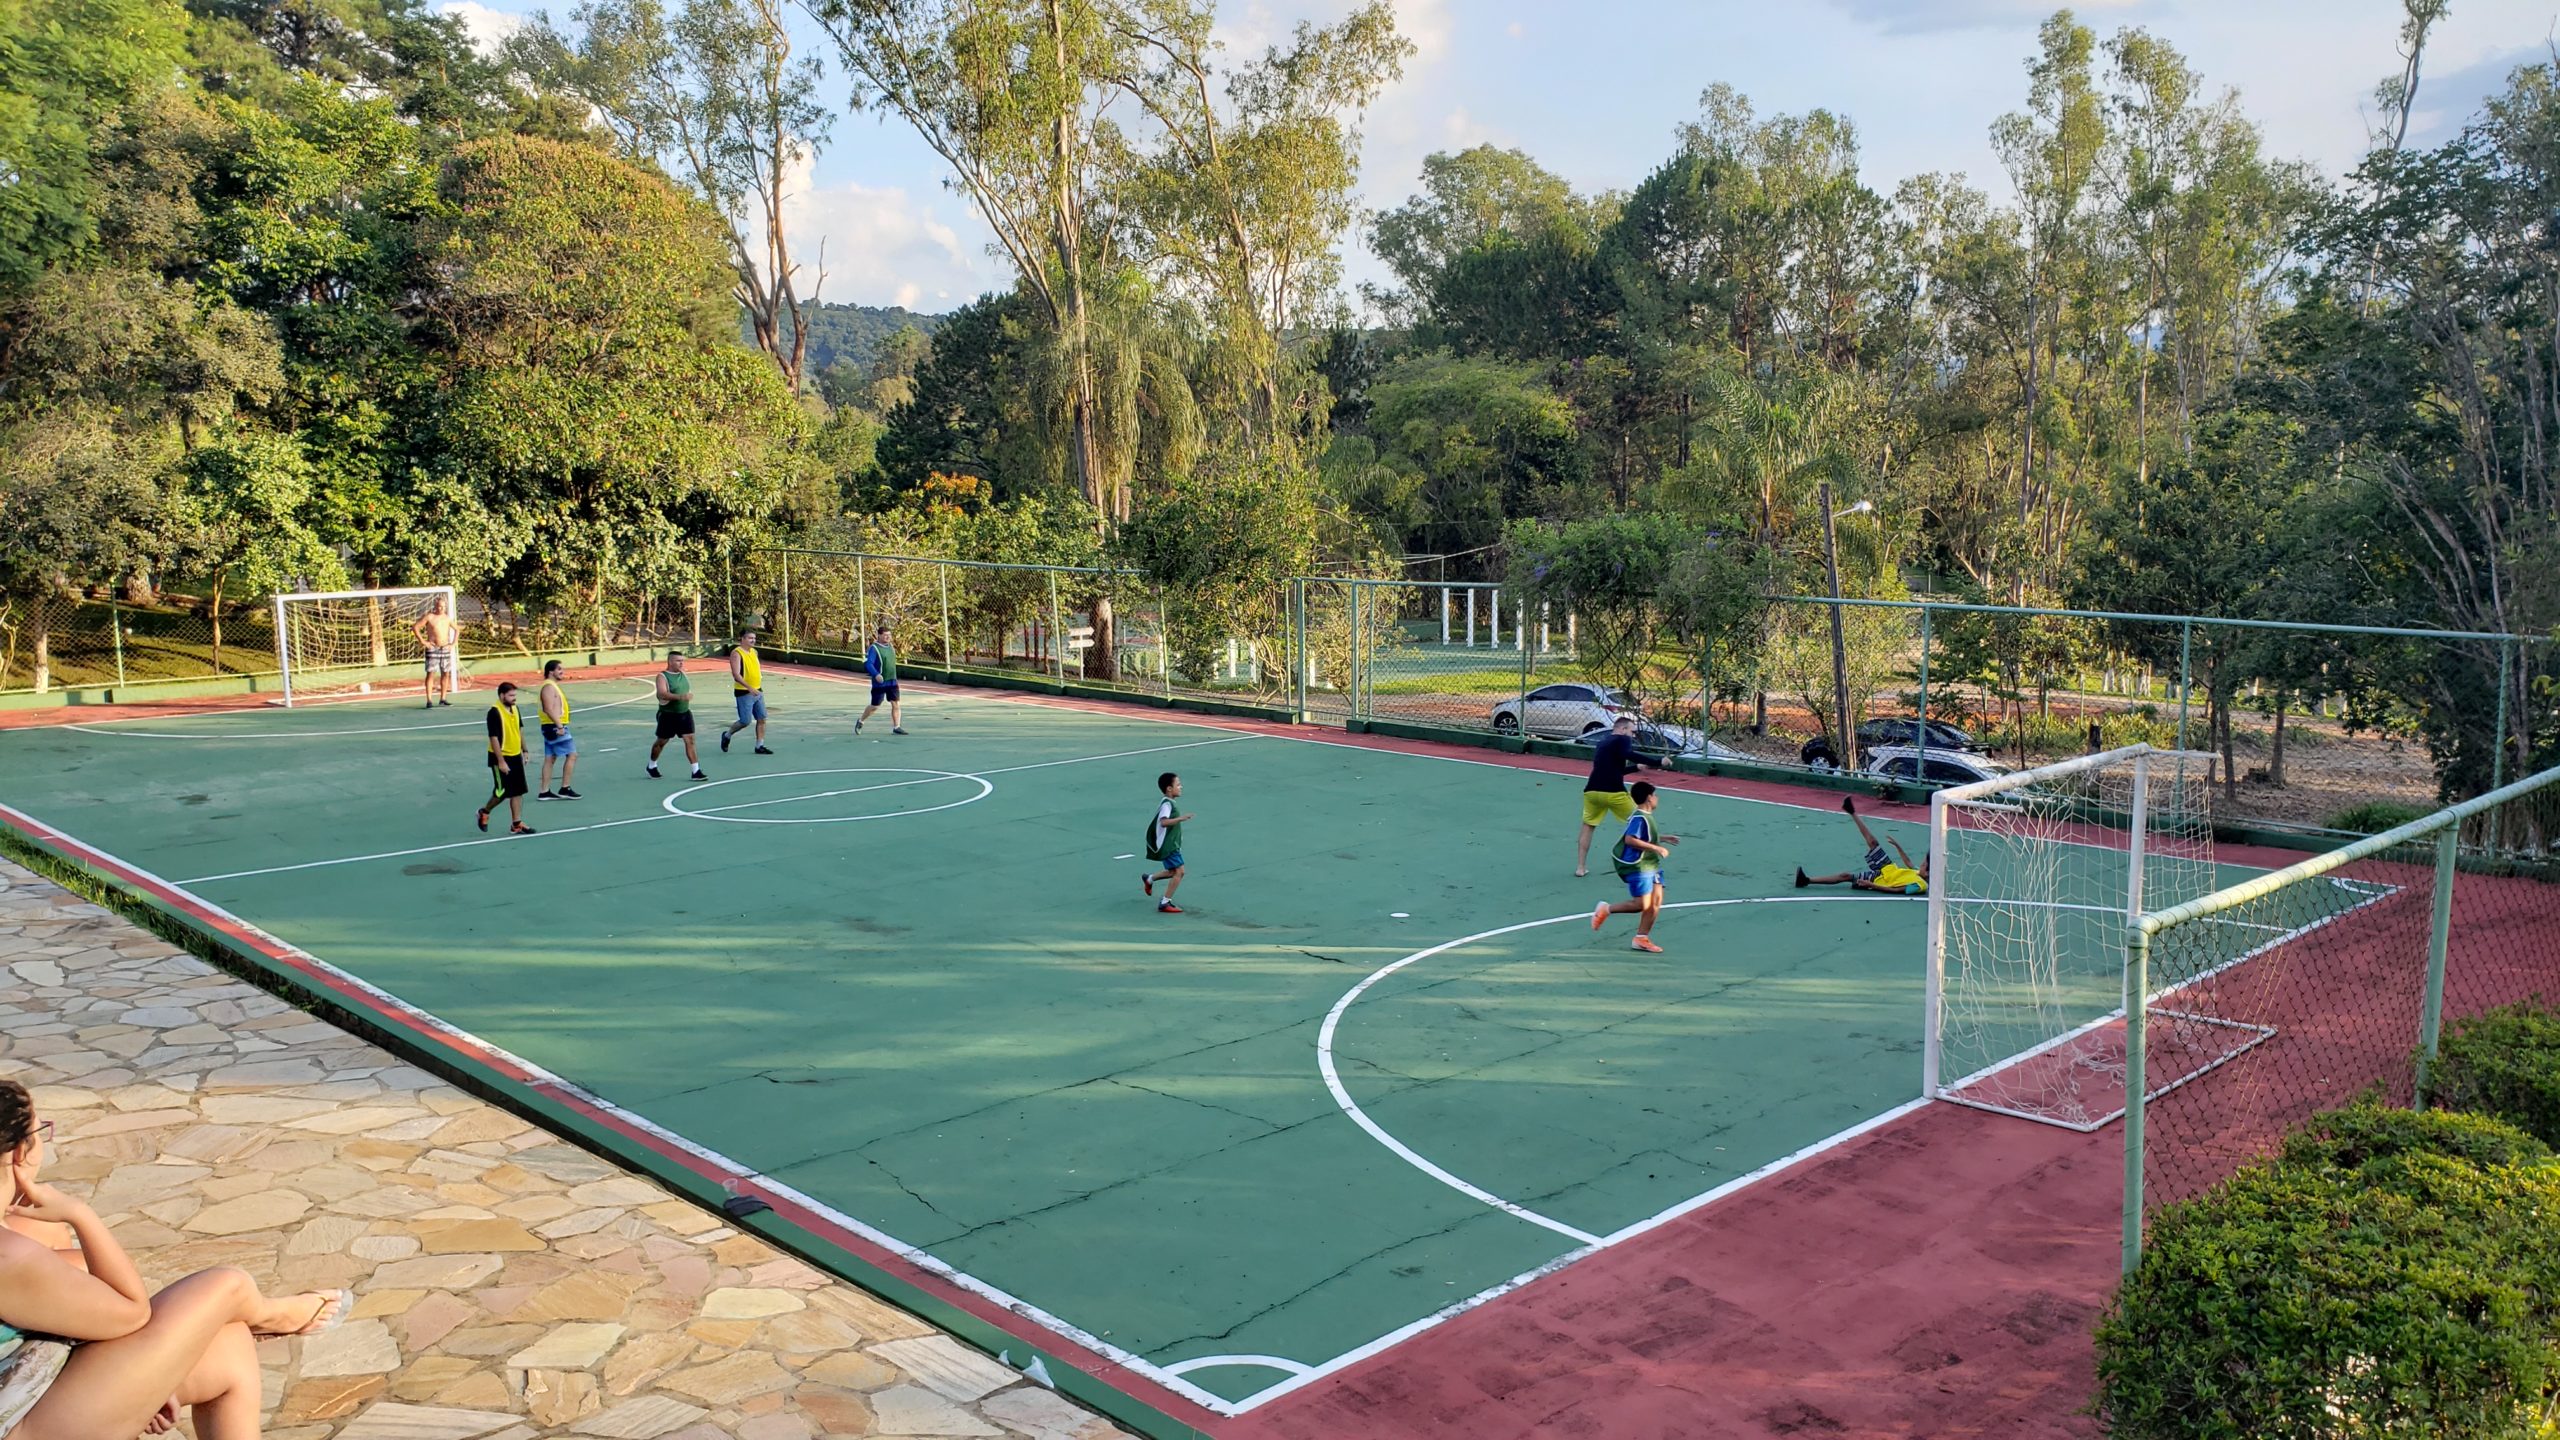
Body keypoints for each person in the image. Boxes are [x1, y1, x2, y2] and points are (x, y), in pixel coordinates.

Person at [0, 1077, 349, 1440]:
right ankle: (270, 1315)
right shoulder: (11, 1254)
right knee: (225, 1286)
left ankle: (260, 1316)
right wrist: (80, 1214)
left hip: (30, 1388)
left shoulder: (19, 1238)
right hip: (19, 1418)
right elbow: (132, 1313)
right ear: (19, 1152)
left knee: (229, 1346)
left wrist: (154, 1375)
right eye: (40, 1131)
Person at [1591, 780, 1679, 953]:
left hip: (1650, 864)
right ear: (1648, 798)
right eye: (1654, 795)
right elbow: (1630, 839)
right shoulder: (1639, 818)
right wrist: (1657, 847)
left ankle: (1641, 938)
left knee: (1656, 901)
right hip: (1638, 866)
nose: (1657, 798)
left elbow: (1646, 836)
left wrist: (1664, 838)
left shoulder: (1645, 817)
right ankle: (1606, 909)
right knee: (1641, 904)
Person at [1796, 796, 1929, 895]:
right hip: (1888, 869)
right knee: (1873, 843)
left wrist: (1871, 885)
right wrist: (1897, 846)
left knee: (1846, 876)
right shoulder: (1917, 872)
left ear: (1929, 873)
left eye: (1923, 865)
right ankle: (1852, 811)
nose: (1920, 865)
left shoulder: (1919, 885)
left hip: (1878, 880)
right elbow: (1909, 863)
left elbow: (1896, 890)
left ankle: (1806, 880)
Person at [1576, 714, 1652, 876]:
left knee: (1588, 827)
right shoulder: (1622, 740)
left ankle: (1581, 867)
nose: (1632, 736)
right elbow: (1629, 754)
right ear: (1623, 729)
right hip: (1614, 793)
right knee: (1640, 823)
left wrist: (1635, 768)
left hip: (1592, 792)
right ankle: (1642, 864)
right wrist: (1657, 761)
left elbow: (1616, 771)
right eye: (1632, 732)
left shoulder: (1602, 743)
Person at [475, 682, 534, 835]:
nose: (514, 698)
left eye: (515, 695)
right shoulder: (494, 712)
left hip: (515, 755)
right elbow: (493, 738)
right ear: (502, 696)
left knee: (518, 791)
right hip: (500, 757)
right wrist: (501, 761)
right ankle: (484, 811)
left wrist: (525, 750)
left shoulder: (515, 708)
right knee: (502, 791)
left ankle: (516, 824)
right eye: (511, 695)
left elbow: (519, 730)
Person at [648, 650, 708, 781]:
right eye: (678, 661)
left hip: (684, 714)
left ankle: (695, 771)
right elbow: (662, 694)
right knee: (661, 742)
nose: (681, 663)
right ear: (670, 662)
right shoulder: (662, 677)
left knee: (690, 740)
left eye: (682, 661)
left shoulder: (683, 675)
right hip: (668, 715)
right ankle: (652, 765)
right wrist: (681, 697)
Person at [1141, 772, 1192, 915]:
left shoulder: (1169, 803)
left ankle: (1149, 879)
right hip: (1169, 846)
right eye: (1178, 784)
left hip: (1172, 844)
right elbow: (1163, 822)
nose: (1181, 787)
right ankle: (1165, 902)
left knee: (1172, 871)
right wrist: (1181, 819)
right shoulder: (1167, 805)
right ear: (1169, 788)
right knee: (1180, 872)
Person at [719, 631, 774, 756]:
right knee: (745, 721)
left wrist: (756, 685)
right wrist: (749, 688)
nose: (753, 640)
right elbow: (736, 675)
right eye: (750, 638)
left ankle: (759, 746)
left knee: (762, 718)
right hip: (744, 692)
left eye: (754, 638)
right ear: (742, 639)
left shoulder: (754, 652)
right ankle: (727, 735)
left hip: (758, 690)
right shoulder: (736, 653)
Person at [536, 660, 582, 801]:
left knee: (550, 758)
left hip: (550, 726)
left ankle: (544, 791)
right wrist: (560, 726)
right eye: (559, 669)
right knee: (572, 755)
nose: (563, 672)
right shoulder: (549, 687)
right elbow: (548, 708)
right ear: (551, 671)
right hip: (554, 726)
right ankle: (565, 788)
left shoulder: (550, 686)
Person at [856, 625, 906, 735]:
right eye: (885, 635)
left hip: (892, 681)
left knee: (896, 704)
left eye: (889, 635)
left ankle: (896, 726)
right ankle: (861, 721)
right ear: (879, 636)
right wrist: (876, 675)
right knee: (875, 706)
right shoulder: (874, 649)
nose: (888, 637)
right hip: (880, 683)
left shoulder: (891, 647)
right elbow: (869, 664)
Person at [412, 594, 460, 709]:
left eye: (443, 607)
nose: (441, 609)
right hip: (433, 648)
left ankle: (443, 699)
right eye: (439, 606)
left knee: (446, 673)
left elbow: (457, 629)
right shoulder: (429, 617)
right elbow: (415, 627)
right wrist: (423, 642)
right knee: (431, 673)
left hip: (445, 648)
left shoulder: (447, 618)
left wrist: (453, 644)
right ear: (435, 606)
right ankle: (429, 700)